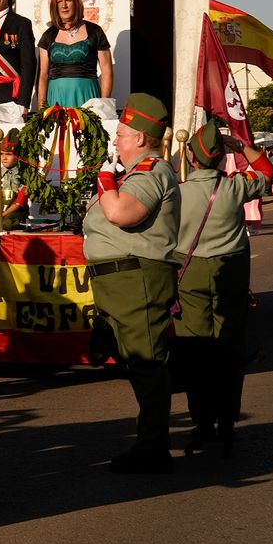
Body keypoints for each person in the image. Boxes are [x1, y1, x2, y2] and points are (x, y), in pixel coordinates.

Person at [82, 92, 180, 473]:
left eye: (121, 134)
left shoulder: (151, 170)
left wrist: (106, 184)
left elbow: (122, 213)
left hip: (136, 278)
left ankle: (153, 446)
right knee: (138, 363)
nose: (115, 142)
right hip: (122, 280)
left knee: (148, 364)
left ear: (140, 138)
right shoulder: (134, 173)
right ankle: (150, 440)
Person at [171, 125, 273, 457]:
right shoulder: (233, 187)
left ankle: (202, 424)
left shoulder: (178, 192)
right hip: (229, 273)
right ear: (221, 159)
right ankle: (227, 424)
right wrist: (241, 146)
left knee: (195, 354)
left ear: (190, 157)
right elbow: (268, 172)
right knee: (229, 352)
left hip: (189, 277)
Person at [35, 0, 113, 108]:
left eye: (68, 0)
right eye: (59, 2)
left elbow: (107, 70)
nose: (64, 6)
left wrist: (103, 105)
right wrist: (41, 108)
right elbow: (43, 75)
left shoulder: (95, 31)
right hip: (56, 99)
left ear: (76, 2)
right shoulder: (48, 35)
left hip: (87, 96)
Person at [0, 128, 29, 230]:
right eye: (2, 154)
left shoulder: (24, 173)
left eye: (8, 155)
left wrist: (1, 216)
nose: (4, 158)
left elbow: (20, 201)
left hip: (15, 211)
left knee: (7, 223)